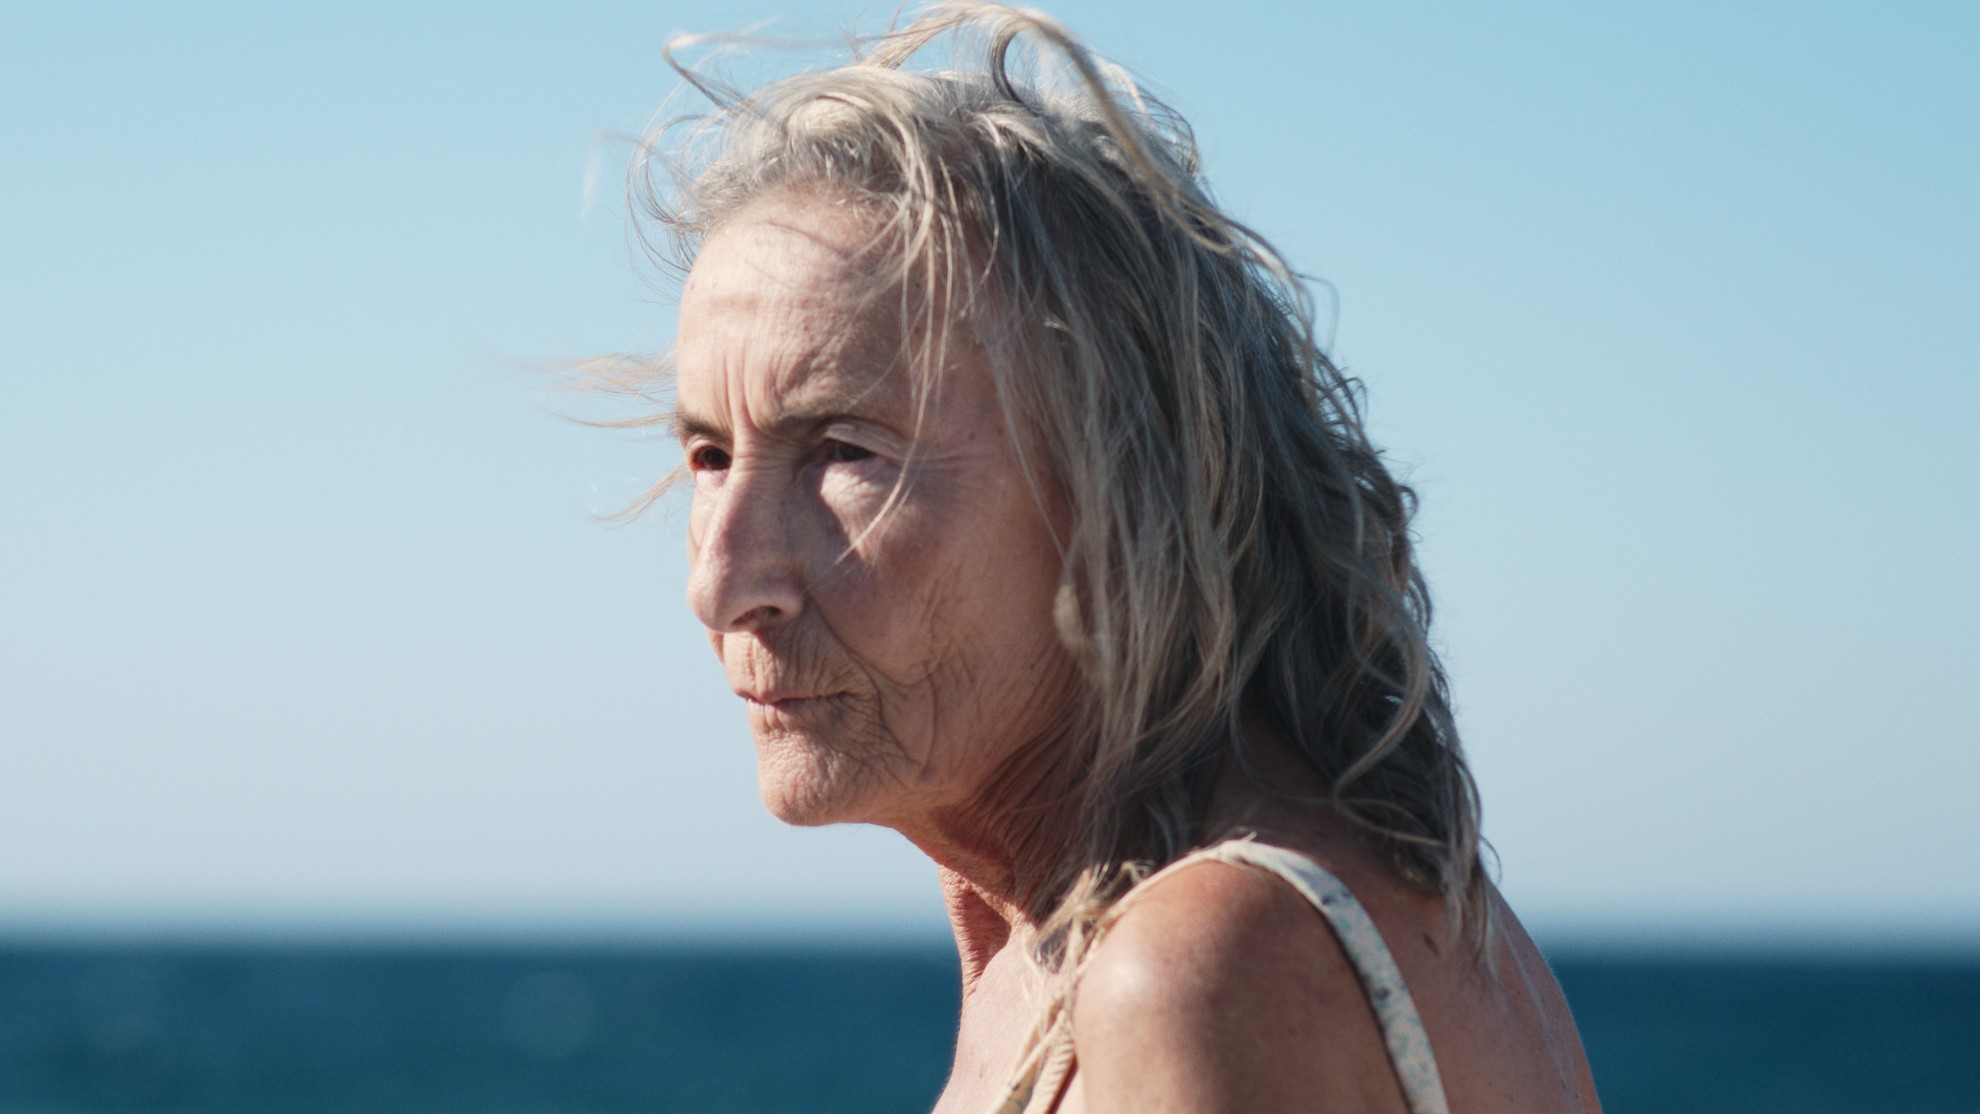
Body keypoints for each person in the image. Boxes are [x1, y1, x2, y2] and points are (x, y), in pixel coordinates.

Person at [628, 4, 1601, 1110]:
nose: (721, 582)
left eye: (844, 451)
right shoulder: (1090, 940)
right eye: (710, 455)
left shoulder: (1204, 968)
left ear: (1122, 498)